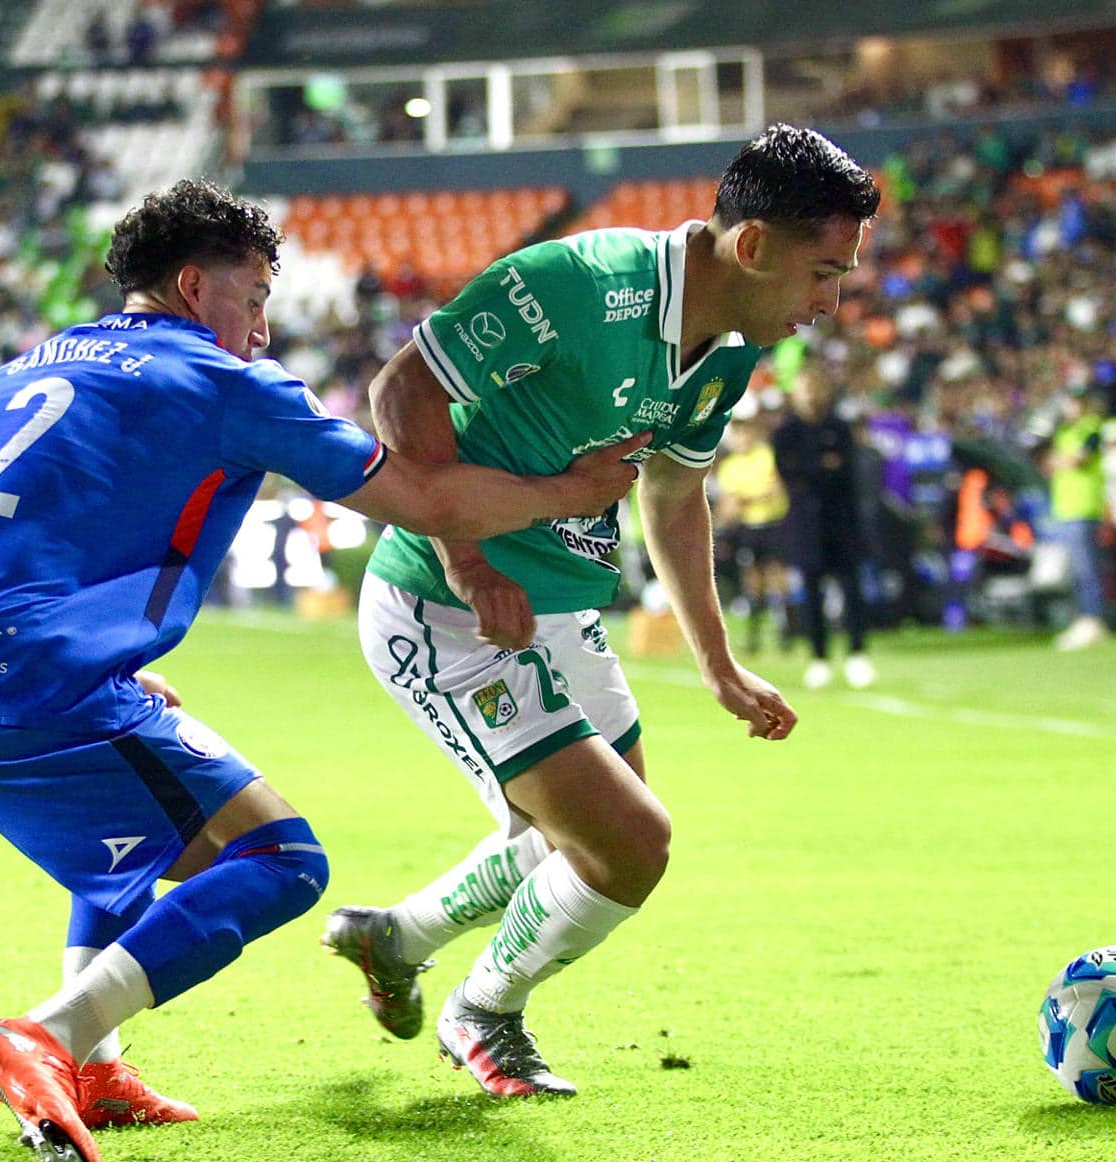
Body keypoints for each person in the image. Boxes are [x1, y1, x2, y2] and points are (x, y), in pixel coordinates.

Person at [0, 180, 644, 1162]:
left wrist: (112, 669)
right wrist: (570, 492)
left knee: (132, 828)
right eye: (255, 296)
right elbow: (423, 497)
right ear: (195, 286)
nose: (264, 329)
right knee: (284, 861)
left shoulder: (18, 370)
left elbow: (28, 532)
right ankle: (52, 1033)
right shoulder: (224, 384)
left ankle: (94, 1069)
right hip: (29, 687)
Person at [324, 125, 880, 1096]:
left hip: (562, 614)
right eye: (824, 272)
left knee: (571, 842)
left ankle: (392, 940)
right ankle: (482, 1011)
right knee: (630, 843)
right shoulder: (578, 283)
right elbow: (400, 390)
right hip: (448, 610)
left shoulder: (732, 348)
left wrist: (717, 662)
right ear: (752, 248)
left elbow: (673, 497)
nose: (831, 301)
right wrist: (466, 559)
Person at [773, 365, 876, 689]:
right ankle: (818, 658)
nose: (810, 397)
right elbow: (790, 476)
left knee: (851, 588)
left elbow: (846, 473)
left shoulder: (840, 428)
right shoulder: (785, 433)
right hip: (805, 525)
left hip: (842, 522)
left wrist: (812, 471)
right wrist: (821, 467)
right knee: (812, 593)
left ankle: (857, 654)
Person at [711, 416, 789, 654]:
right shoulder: (730, 466)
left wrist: (744, 498)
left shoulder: (767, 456)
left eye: (745, 432)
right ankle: (754, 635)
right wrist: (750, 498)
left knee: (776, 576)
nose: (742, 438)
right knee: (752, 580)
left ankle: (785, 631)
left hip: (772, 523)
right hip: (747, 528)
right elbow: (730, 505)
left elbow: (773, 491)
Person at [1047, 398, 1110, 650]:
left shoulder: (1091, 427)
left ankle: (1094, 622)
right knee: (1075, 572)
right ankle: (1083, 621)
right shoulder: (1064, 432)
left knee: (1087, 571)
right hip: (1065, 509)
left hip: (1084, 508)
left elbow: (1078, 460)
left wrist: (1062, 461)